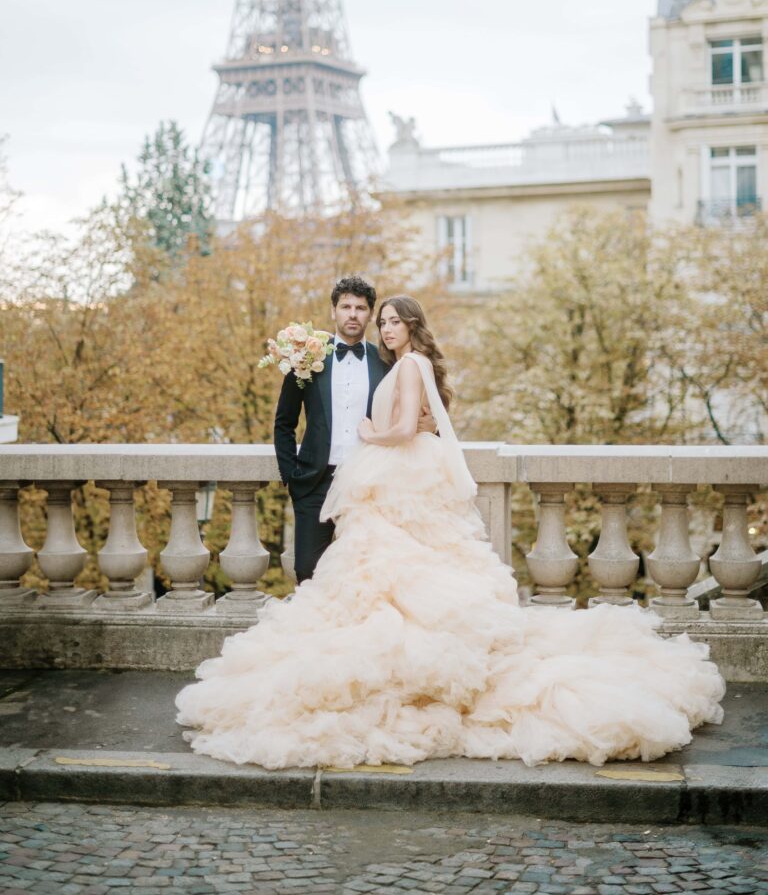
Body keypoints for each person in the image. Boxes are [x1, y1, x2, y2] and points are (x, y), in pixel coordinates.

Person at [176, 296, 725, 770]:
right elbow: (427, 422)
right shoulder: (399, 363)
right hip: (392, 483)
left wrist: (371, 429)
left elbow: (396, 428)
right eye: (382, 321)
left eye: (393, 320)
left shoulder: (408, 365)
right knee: (383, 579)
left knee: (393, 578)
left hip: (393, 476)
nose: (385, 328)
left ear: (411, 325)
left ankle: (406, 674)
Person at [274, 275, 436, 583]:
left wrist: (428, 424)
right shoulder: (306, 358)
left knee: (365, 574)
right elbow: (284, 422)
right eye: (345, 306)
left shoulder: (387, 361)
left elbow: (416, 416)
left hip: (369, 484)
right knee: (307, 571)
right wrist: (291, 476)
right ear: (333, 311)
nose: (352, 314)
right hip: (314, 483)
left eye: (360, 308)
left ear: (370, 315)